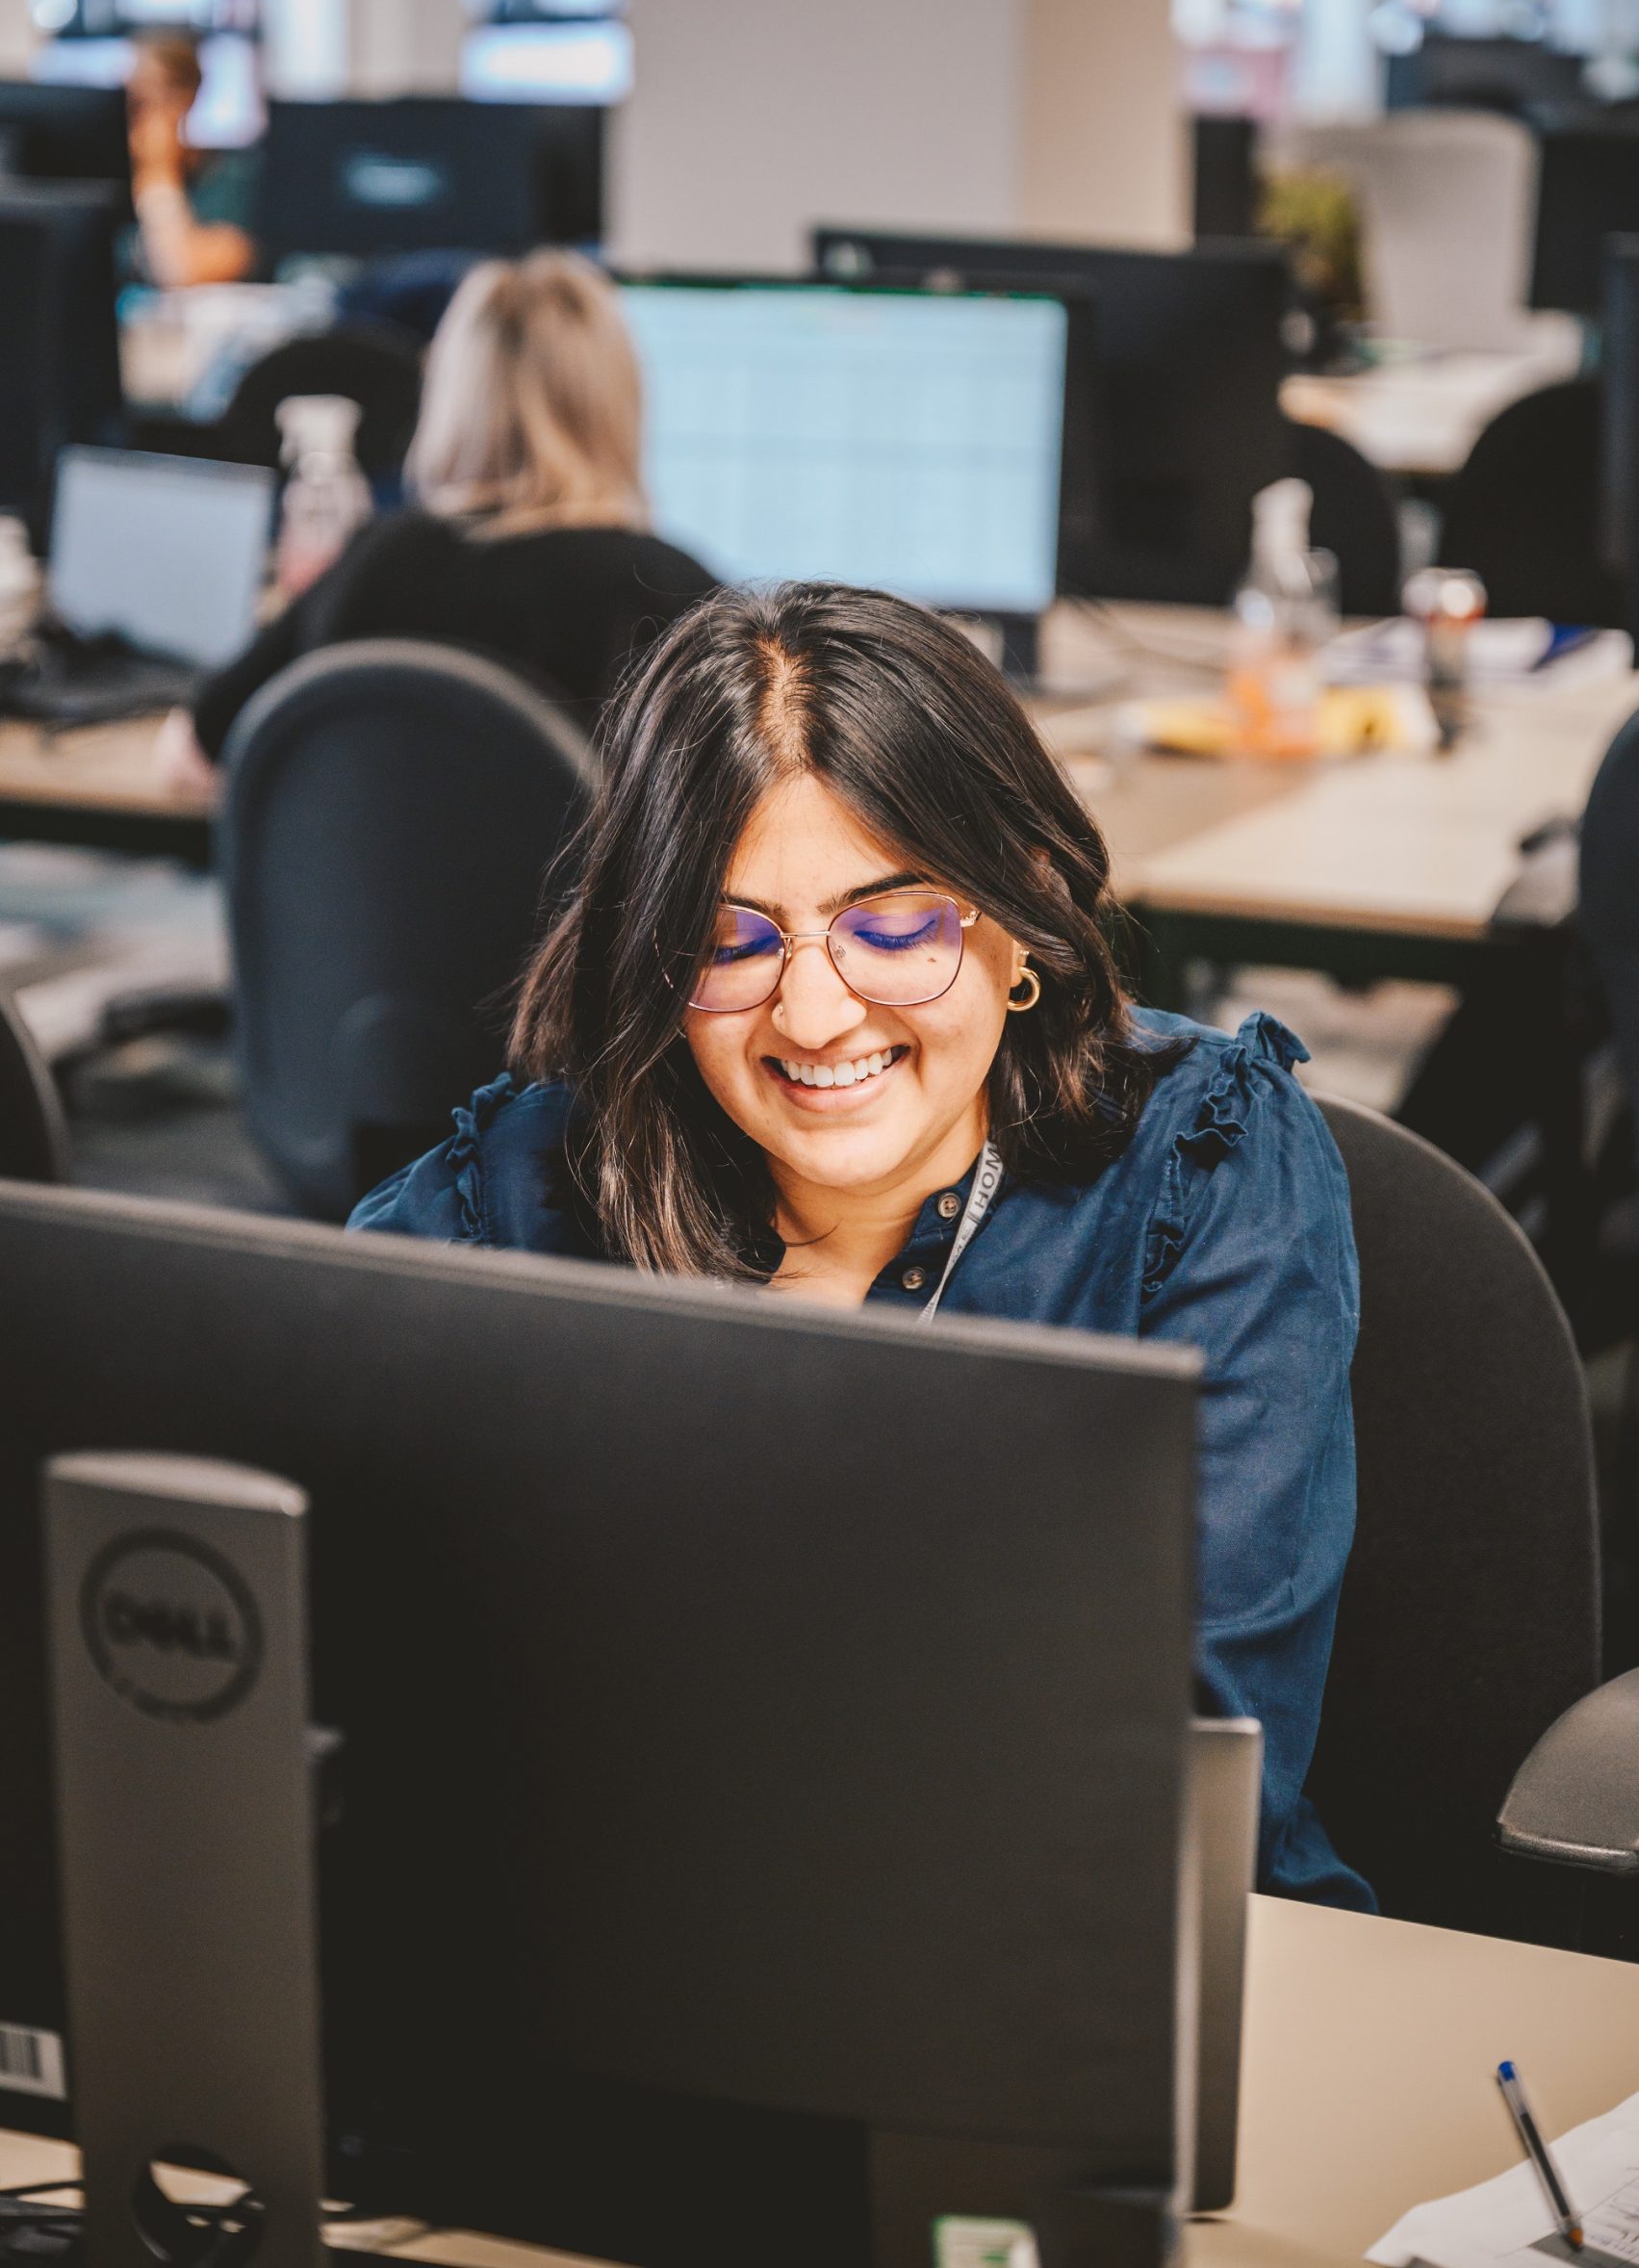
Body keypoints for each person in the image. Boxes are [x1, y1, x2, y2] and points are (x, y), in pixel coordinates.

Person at [350, 580, 1369, 1909]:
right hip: (618, 1948)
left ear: (1021, 912)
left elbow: (1193, 1759)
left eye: (894, 925)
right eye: (728, 939)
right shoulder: (530, 1188)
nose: (816, 1011)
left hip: (1089, 1962)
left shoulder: (1207, 1167)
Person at [160, 251, 718, 797]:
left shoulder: (375, 561)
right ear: (620, 404)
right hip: (578, 895)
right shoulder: (674, 596)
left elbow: (190, 753)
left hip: (362, 892)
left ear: (448, 395)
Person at [127, 32, 259, 289]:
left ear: (190, 96)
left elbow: (182, 272)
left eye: (148, 100)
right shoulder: (102, 179)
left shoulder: (229, 176)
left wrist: (159, 175)